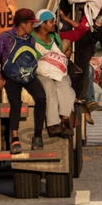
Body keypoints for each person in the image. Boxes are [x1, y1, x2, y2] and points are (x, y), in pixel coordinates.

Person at [0, 8, 47, 154]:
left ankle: (37, 136)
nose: (33, 27)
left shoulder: (30, 38)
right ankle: (15, 138)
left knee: (41, 97)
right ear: (23, 24)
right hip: (11, 77)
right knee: (16, 102)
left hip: (27, 75)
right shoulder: (5, 37)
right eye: (31, 24)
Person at [31, 9, 74, 138]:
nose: (54, 24)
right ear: (42, 24)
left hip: (55, 71)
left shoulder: (55, 37)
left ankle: (65, 120)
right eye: (51, 22)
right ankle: (53, 123)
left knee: (65, 82)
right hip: (40, 73)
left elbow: (61, 54)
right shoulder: (31, 38)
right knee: (49, 85)